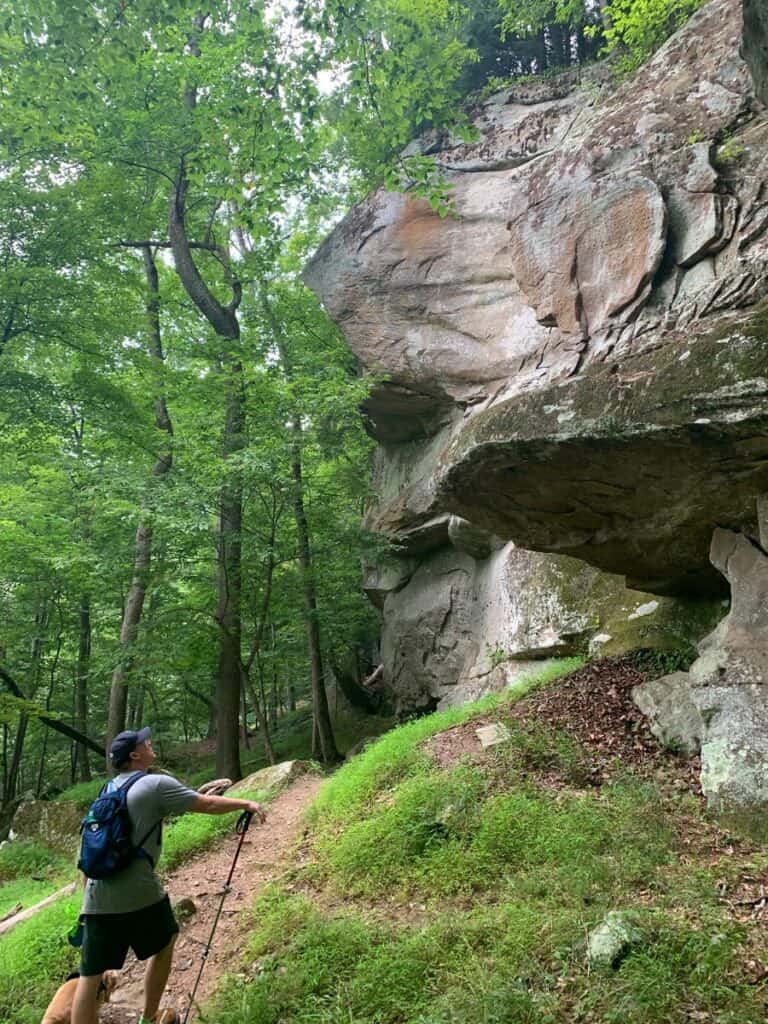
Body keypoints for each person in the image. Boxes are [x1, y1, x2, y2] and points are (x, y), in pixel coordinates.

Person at [71, 726, 266, 1024]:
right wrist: (246, 803)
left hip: (95, 897)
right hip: (138, 890)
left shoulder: (108, 789)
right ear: (135, 755)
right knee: (165, 942)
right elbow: (207, 804)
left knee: (90, 974)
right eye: (145, 742)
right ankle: (149, 1017)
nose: (150, 743)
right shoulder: (154, 784)